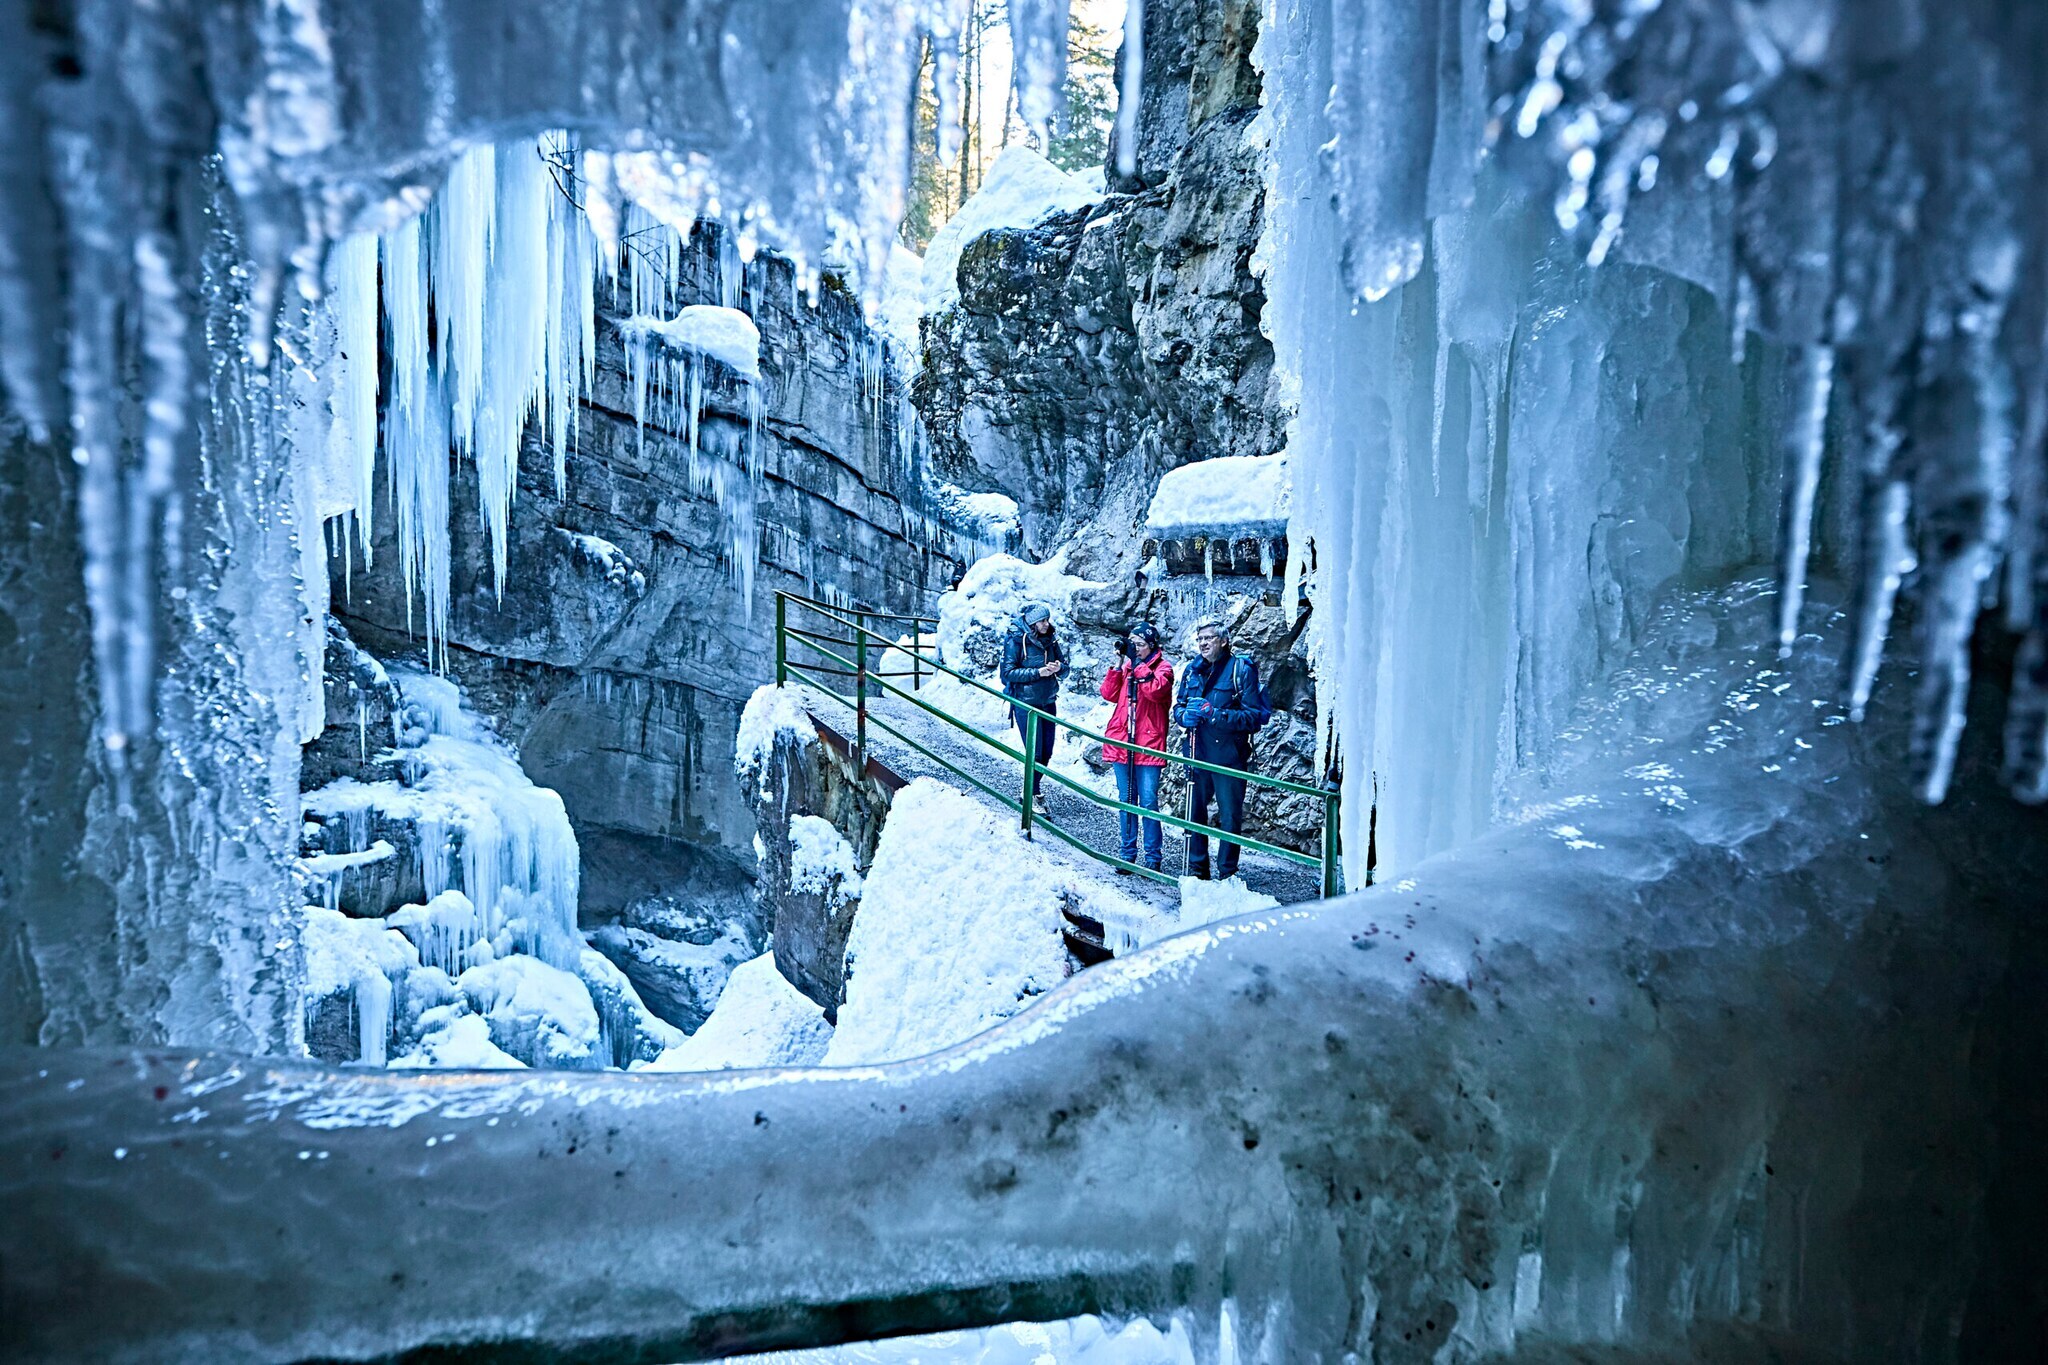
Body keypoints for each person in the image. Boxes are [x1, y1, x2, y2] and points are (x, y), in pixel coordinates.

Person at [1171, 618, 1270, 880]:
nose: (1203, 643)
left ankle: (1227, 872)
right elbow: (1178, 706)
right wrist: (1184, 717)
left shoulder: (1241, 670)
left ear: (1224, 641)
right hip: (1196, 752)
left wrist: (1215, 715)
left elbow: (1253, 716)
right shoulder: (1193, 671)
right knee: (1195, 812)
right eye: (1200, 639)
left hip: (1229, 755)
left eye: (1209, 638)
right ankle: (1197, 868)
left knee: (1230, 816)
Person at [1099, 622, 1174, 872]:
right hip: (1123, 741)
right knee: (1126, 799)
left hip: (1148, 744)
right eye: (1133, 643)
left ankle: (1153, 857)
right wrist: (1119, 666)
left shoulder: (1164, 669)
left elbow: (1156, 692)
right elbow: (1108, 694)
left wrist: (1138, 666)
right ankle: (1127, 854)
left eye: (1139, 644)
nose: (1135, 648)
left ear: (1152, 645)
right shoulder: (1129, 666)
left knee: (1149, 801)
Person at [1000, 602, 1065, 811]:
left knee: (1046, 752)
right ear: (1032, 622)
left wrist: (1059, 668)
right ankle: (1031, 793)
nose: (1047, 624)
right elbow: (1007, 673)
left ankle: (1032, 789)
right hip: (1026, 703)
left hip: (1048, 701)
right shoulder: (1017, 640)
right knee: (1034, 752)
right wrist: (1038, 673)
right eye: (1042, 621)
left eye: (1047, 620)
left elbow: (1065, 668)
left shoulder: (1051, 640)